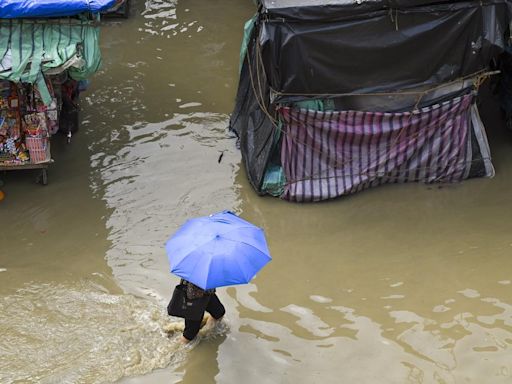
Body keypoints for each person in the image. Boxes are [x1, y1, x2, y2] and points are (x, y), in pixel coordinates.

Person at [179, 278, 225, 344]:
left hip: (207, 292)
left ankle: (206, 331)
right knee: (190, 334)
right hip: (193, 298)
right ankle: (175, 349)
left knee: (219, 312)